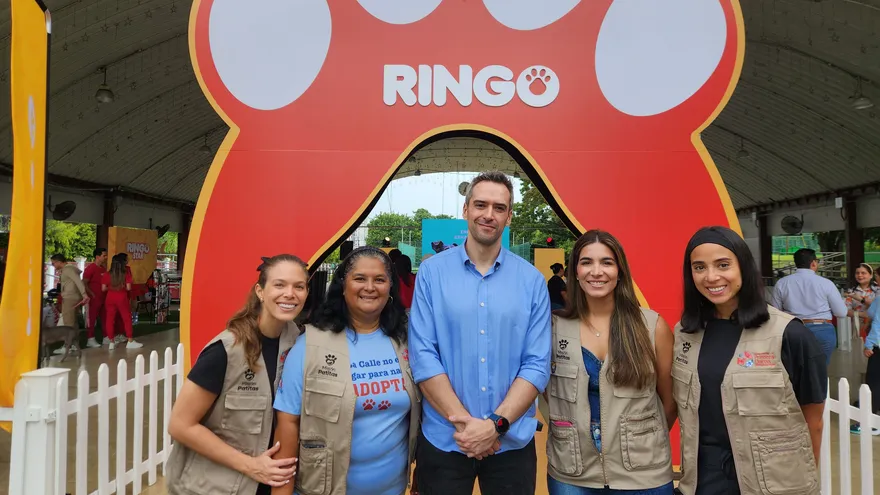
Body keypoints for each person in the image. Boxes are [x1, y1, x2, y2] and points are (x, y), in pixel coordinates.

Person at [408, 171, 551, 495]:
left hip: (510, 443)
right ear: (465, 209)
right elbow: (423, 356)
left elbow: (537, 363)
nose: (489, 214)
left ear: (509, 215)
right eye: (481, 204)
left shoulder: (531, 281)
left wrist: (495, 426)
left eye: (499, 207)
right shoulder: (432, 273)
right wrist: (467, 426)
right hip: (446, 438)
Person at [674, 227, 826, 495]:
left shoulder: (789, 334)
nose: (711, 277)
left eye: (723, 265)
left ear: (743, 266)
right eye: (699, 267)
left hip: (773, 483)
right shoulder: (685, 334)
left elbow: (813, 422)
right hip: (703, 480)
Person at [272, 247, 419, 495]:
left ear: (390, 289)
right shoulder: (310, 344)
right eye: (360, 278)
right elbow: (288, 422)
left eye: (380, 280)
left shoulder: (406, 340)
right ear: (342, 285)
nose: (370, 287)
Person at [166, 254, 309, 495]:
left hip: (270, 484)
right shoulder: (226, 351)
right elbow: (180, 425)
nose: (290, 294)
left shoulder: (299, 344)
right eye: (279, 284)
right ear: (260, 291)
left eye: (299, 286)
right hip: (214, 487)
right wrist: (251, 466)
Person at [546, 230, 675, 494]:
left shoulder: (651, 326)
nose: (596, 271)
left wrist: (640, 440)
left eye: (606, 262)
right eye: (586, 262)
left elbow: (670, 401)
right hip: (572, 473)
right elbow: (546, 394)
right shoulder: (552, 328)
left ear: (620, 271)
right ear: (575, 272)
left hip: (643, 474)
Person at [770, 248, 847, 366]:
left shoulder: (782, 283)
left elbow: (775, 312)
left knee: (795, 371)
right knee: (819, 371)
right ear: (814, 263)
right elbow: (841, 312)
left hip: (793, 329)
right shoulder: (826, 283)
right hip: (822, 330)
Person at [102, 254, 143, 349]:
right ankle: (130, 340)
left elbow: (103, 288)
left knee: (109, 319)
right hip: (121, 297)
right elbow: (129, 288)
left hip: (110, 297)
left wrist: (111, 287)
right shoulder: (126, 273)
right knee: (126, 318)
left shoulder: (107, 274)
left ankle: (111, 342)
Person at [50, 253, 89, 335]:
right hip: (73, 297)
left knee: (68, 323)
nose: (53, 265)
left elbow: (78, 281)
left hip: (69, 297)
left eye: (53, 263)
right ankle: (73, 344)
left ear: (59, 262)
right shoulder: (69, 269)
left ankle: (68, 345)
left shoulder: (68, 270)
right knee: (73, 322)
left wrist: (84, 294)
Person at [844, 263, 878, 340]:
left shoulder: (877, 290)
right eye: (857, 273)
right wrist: (862, 314)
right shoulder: (851, 291)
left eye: (863, 273)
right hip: (857, 326)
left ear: (871, 275)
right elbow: (846, 310)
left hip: (875, 326)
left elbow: (877, 306)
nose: (859, 275)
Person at [83, 248, 108, 348]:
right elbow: (84, 283)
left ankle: (106, 337)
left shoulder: (103, 268)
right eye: (104, 255)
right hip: (93, 298)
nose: (106, 257)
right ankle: (90, 338)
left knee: (105, 318)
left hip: (103, 298)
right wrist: (91, 294)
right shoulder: (90, 268)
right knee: (91, 319)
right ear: (97, 257)